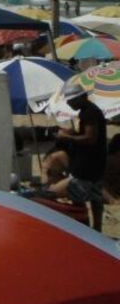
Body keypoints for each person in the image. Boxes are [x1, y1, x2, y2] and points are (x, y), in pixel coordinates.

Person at [42, 82, 109, 228]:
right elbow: (88, 135)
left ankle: (83, 226)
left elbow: (90, 139)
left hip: (87, 166)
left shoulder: (89, 113)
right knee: (94, 197)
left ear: (81, 98)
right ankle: (97, 228)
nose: (69, 103)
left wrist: (67, 137)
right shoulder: (90, 111)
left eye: (71, 100)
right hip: (96, 163)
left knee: (75, 195)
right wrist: (72, 133)